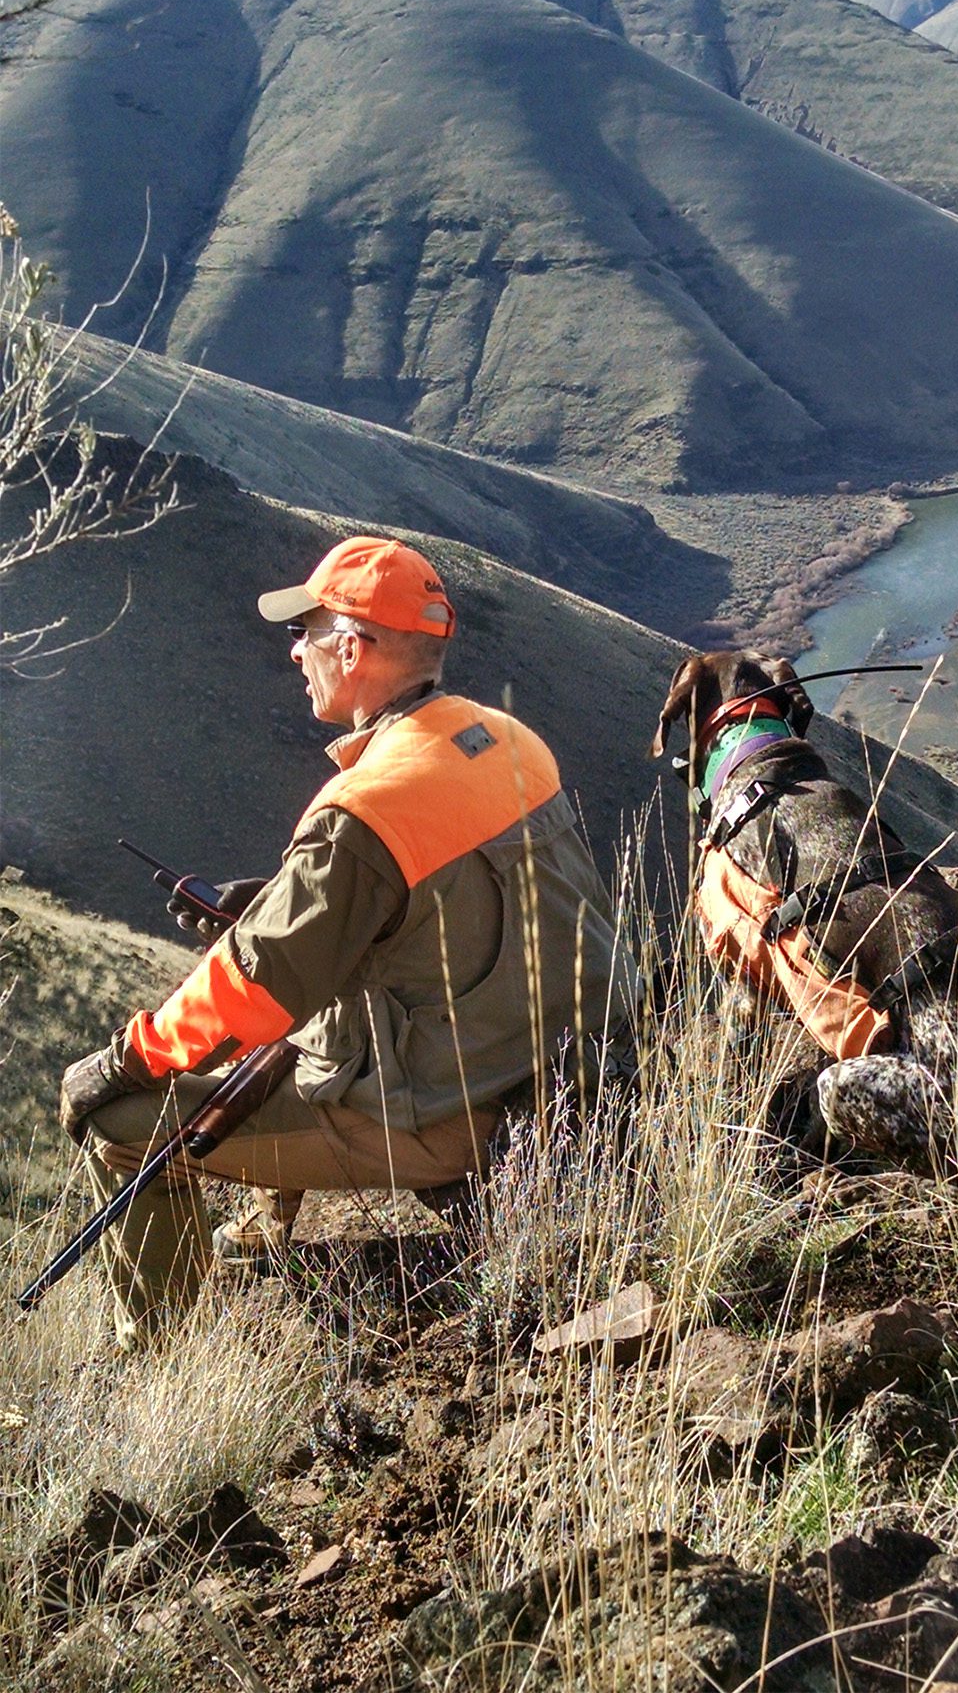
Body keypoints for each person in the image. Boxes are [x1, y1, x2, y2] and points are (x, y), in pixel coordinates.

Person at [60, 535, 636, 1348]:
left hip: (459, 1112)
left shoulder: (364, 810)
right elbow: (450, 900)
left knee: (120, 1123)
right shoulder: (507, 740)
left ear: (353, 648)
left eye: (308, 633)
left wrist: (123, 1060)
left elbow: (253, 991)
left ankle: (157, 1352)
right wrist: (273, 902)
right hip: (570, 1068)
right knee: (296, 1032)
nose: (296, 652)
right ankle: (259, 1236)